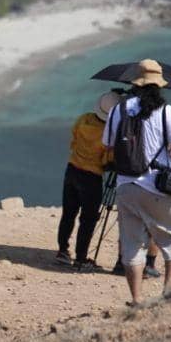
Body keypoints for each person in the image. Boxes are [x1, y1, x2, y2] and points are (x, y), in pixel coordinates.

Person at [102, 59, 171, 305]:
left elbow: (107, 145)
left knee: (132, 244)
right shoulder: (165, 111)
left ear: (135, 83)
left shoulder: (118, 110)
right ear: (158, 85)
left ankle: (137, 299)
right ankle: (168, 292)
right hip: (157, 185)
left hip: (125, 185)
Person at [56, 92, 120, 271]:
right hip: (91, 177)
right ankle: (81, 258)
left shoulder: (84, 119)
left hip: (72, 168)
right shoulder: (109, 132)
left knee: (68, 213)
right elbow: (108, 160)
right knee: (88, 219)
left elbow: (74, 139)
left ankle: (62, 250)